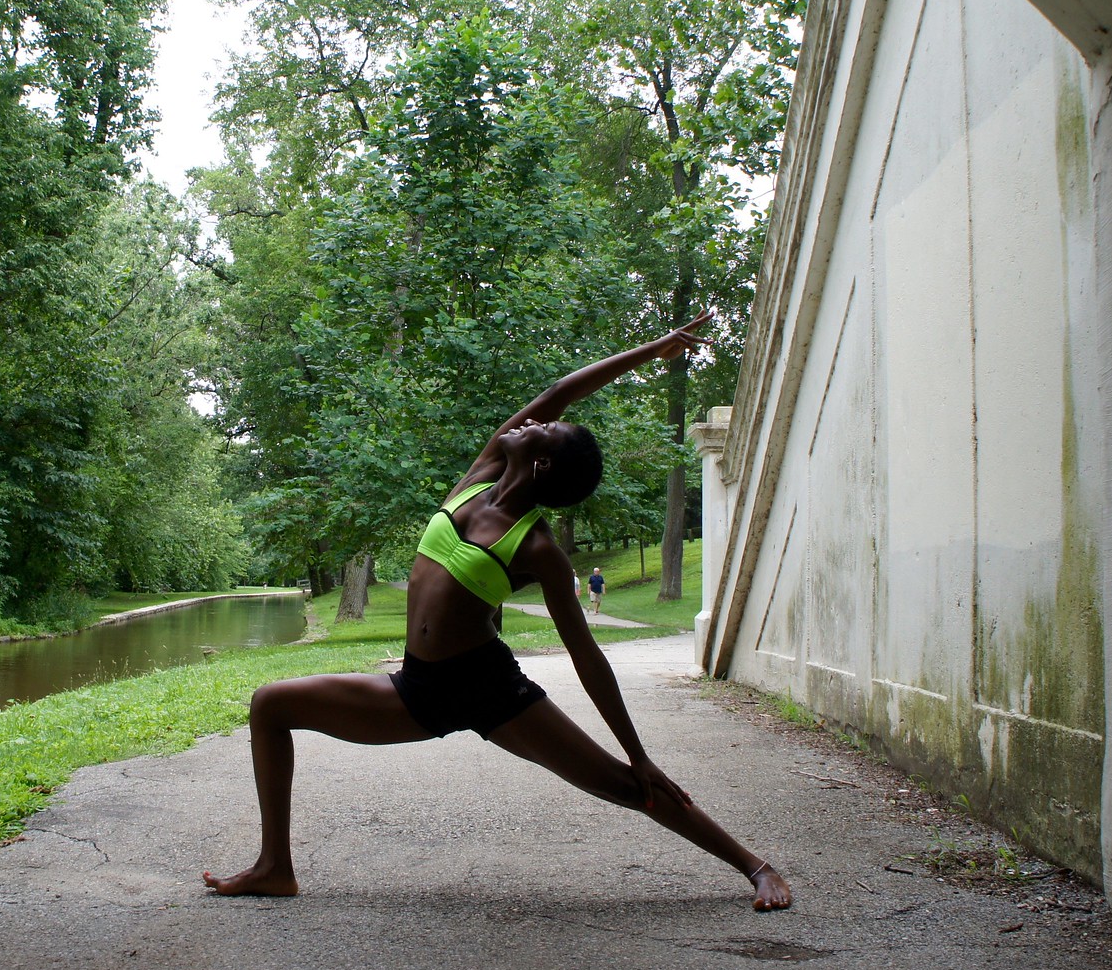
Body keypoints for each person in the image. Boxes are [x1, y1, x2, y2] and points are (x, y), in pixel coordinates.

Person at [203, 312, 792, 911]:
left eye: (543, 431)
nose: (531, 420)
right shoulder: (480, 477)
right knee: (270, 705)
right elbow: (560, 391)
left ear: (542, 466)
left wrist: (639, 752)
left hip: (489, 690)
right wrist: (653, 349)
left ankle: (756, 866)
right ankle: (275, 867)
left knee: (623, 783)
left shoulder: (538, 550)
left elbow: (586, 655)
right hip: (419, 687)